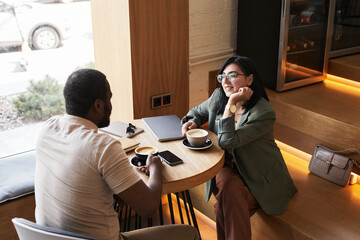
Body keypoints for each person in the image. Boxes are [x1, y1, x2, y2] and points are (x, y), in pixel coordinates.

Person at [35, 69, 200, 240]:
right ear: (98, 105)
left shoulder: (47, 128)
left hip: (51, 236)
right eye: (109, 99)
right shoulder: (102, 146)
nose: (110, 105)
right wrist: (155, 168)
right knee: (190, 233)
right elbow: (149, 207)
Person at [181, 56, 298, 240]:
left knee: (226, 201)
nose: (225, 82)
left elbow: (227, 141)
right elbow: (197, 112)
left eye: (232, 75)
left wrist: (231, 104)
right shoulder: (219, 96)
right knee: (229, 187)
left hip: (257, 174)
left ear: (249, 80)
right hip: (225, 166)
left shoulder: (263, 112)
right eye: (222, 77)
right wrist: (192, 120)